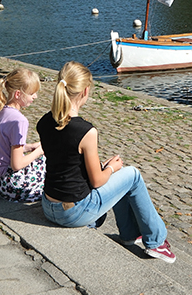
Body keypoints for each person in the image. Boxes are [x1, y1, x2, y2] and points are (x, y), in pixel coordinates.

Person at [37, 60, 176, 261]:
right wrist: (111, 168)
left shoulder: (44, 122)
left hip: (49, 206)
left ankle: (129, 235)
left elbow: (65, 162)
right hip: (74, 212)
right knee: (132, 175)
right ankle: (156, 242)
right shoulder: (86, 131)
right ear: (85, 91)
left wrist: (104, 167)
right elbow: (97, 181)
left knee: (119, 176)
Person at [0, 67, 46, 202]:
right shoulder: (19, 121)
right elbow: (16, 165)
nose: (35, 97)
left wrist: (29, 147)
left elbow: (3, 146)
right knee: (48, 159)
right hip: (14, 185)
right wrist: (40, 150)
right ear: (18, 94)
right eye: (32, 93)